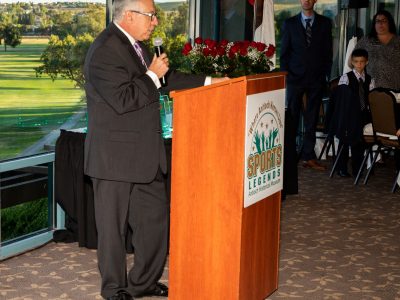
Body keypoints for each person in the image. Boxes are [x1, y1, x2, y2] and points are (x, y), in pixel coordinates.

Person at [83, 0, 228, 299]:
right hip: (113, 158)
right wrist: (150, 75)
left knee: (154, 222)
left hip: (145, 155)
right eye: (151, 16)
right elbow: (123, 99)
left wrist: (212, 82)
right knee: (113, 230)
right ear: (128, 16)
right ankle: (114, 290)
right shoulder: (103, 50)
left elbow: (165, 80)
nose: (155, 22)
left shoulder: (136, 45)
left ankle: (143, 282)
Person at [280, 0, 333, 174]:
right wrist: (286, 75)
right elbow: (284, 53)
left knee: (311, 119)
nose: (307, 0)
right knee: (292, 117)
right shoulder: (289, 23)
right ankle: (289, 155)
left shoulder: (325, 23)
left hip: (316, 79)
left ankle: (308, 156)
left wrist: (325, 74)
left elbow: (328, 52)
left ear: (315, 0)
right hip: (295, 78)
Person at [330, 48, 375, 177]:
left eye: (362, 62)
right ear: (352, 62)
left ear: (366, 62)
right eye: (356, 62)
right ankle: (342, 168)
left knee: (359, 139)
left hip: (363, 114)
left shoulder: (370, 80)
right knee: (349, 135)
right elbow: (341, 99)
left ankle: (358, 168)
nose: (359, 64)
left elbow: (371, 99)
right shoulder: (346, 78)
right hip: (347, 115)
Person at [355, 10, 400, 90]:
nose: (380, 24)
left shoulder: (398, 41)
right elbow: (352, 61)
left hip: (395, 88)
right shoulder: (366, 41)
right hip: (371, 88)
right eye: (377, 21)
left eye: (384, 21)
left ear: (390, 23)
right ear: (374, 24)